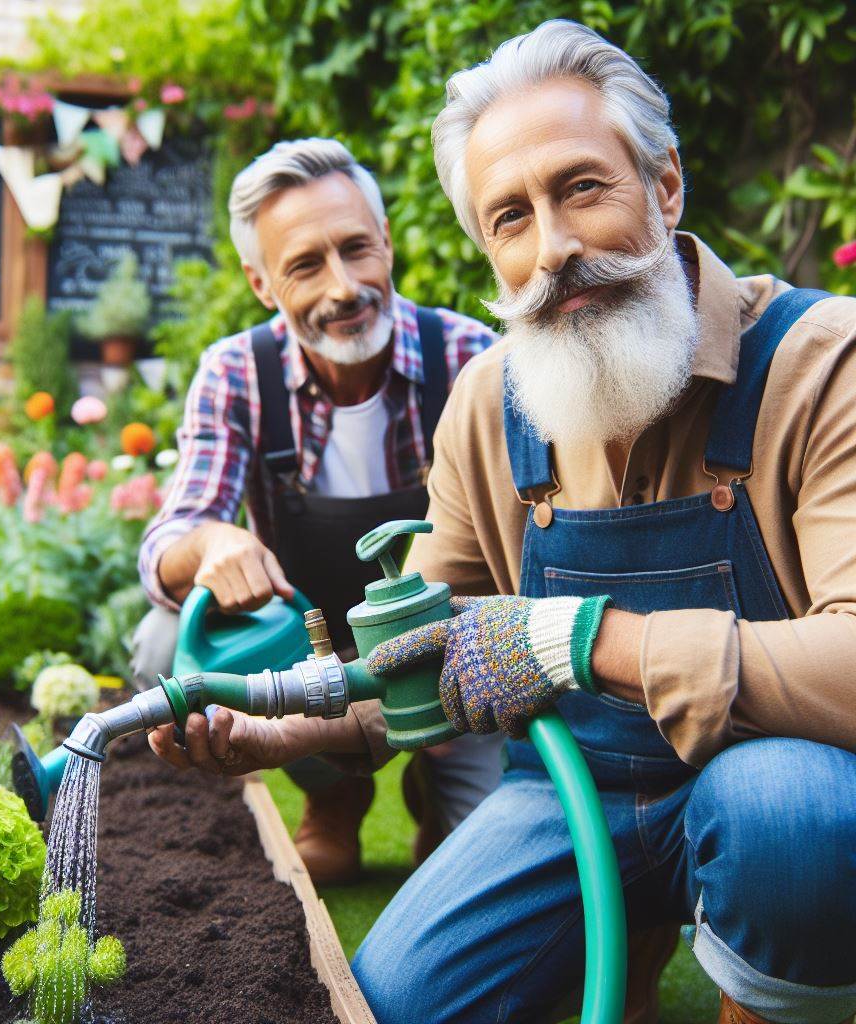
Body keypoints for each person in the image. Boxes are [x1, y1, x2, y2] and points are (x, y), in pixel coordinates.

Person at [149, 20, 856, 1024]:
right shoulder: (492, 401)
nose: (553, 249)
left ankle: (758, 997)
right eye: (510, 217)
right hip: (572, 796)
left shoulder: (820, 363)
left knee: (790, 822)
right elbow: (420, 662)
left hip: (762, 780)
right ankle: (632, 942)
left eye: (581, 188)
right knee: (393, 999)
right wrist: (273, 731)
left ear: (662, 185)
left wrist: (582, 640)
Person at [135, 137, 504, 885]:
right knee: (159, 642)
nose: (343, 287)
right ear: (263, 283)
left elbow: (515, 560)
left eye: (356, 250)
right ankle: (334, 795)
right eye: (305, 265)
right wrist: (211, 542)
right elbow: (166, 542)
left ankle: (437, 783)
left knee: (475, 866)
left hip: (447, 647)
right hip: (313, 644)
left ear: (388, 244)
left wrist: (446, 672)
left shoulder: (470, 356)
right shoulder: (238, 373)